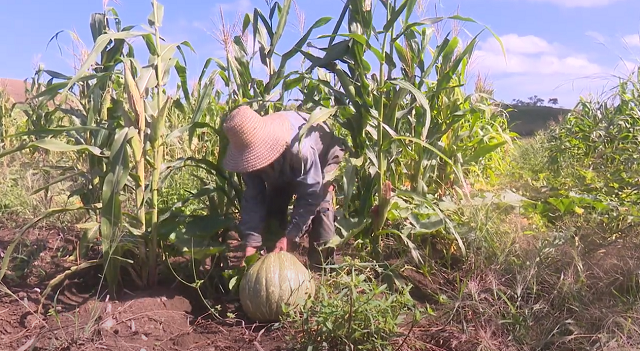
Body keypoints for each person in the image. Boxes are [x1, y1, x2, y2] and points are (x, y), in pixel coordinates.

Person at [222, 105, 346, 269]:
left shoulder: (300, 149)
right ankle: (274, 265)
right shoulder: (247, 158)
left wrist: (291, 236)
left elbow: (312, 194)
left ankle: (321, 267)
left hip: (324, 158)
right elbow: (253, 198)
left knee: (322, 207)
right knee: (273, 210)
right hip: (286, 168)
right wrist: (252, 242)